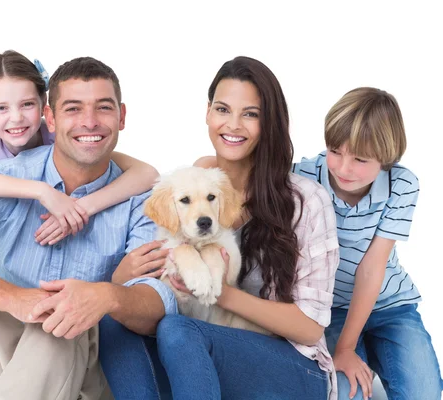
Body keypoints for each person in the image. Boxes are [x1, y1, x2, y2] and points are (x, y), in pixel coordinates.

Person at [0, 56, 176, 400]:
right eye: (73, 109)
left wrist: (104, 295)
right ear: (51, 118)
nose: (89, 122)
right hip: (3, 356)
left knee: (64, 321)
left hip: (87, 368)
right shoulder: (6, 177)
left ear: (122, 117)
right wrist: (17, 300)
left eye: (103, 108)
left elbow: (154, 305)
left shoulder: (143, 201)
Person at [99, 56, 340, 399]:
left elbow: (310, 327)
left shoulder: (307, 202)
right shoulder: (197, 181)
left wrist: (222, 293)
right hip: (206, 344)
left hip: (292, 366)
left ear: (269, 122)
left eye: (251, 114)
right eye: (223, 109)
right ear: (208, 112)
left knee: (179, 331)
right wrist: (123, 277)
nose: (234, 125)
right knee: (116, 320)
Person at [293, 87, 443, 399]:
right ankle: (364, 353)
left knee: (422, 393)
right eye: (335, 151)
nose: (343, 168)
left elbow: (371, 269)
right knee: (343, 391)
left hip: (389, 305)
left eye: (360, 158)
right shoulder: (305, 174)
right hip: (329, 308)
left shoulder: (402, 184)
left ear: (387, 158)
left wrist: (347, 349)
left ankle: (373, 350)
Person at [0, 50, 159, 245]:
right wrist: (42, 191)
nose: (16, 118)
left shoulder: (59, 134)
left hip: (51, 226)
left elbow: (147, 173)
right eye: (1, 108)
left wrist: (83, 207)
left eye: (27, 104)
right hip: (0, 234)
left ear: (44, 106)